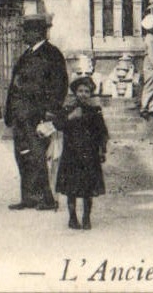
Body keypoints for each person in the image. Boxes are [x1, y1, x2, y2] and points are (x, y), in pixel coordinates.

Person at [4, 12, 68, 211]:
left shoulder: (52, 54)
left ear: (38, 32)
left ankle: (46, 199)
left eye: (27, 31)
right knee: (22, 155)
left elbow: (60, 85)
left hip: (37, 116)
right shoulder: (27, 54)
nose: (24, 35)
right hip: (21, 116)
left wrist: (50, 112)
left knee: (38, 156)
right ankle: (28, 197)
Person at [51, 75, 108, 231]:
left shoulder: (95, 111)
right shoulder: (68, 109)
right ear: (75, 92)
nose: (83, 94)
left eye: (87, 91)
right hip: (71, 155)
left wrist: (102, 150)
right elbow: (57, 125)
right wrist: (70, 117)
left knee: (88, 190)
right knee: (71, 189)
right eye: (80, 91)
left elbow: (102, 132)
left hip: (90, 155)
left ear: (90, 94)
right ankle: (72, 218)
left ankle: (86, 217)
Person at [138, 14, 153, 120]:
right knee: (150, 86)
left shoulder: (150, 37)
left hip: (151, 65)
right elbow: (152, 55)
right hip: (151, 66)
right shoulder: (150, 39)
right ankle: (144, 107)